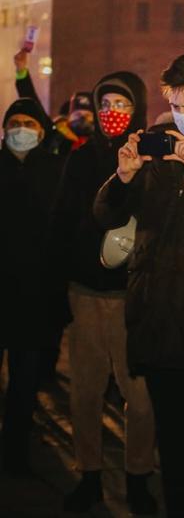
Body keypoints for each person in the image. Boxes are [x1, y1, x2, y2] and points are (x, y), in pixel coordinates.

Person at [91, 52, 184, 518]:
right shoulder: (155, 159)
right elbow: (107, 215)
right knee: (173, 448)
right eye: (176, 106)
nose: (183, 117)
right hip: (161, 321)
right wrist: (124, 176)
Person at [53, 71, 157, 513]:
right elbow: (60, 223)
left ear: (138, 109)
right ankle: (90, 474)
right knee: (85, 393)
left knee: (140, 399)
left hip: (132, 296)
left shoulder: (150, 158)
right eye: (106, 104)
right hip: (87, 294)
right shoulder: (80, 159)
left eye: (122, 104)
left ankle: (137, 477)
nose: (112, 112)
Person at [0, 98, 70, 474]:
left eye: (28, 122)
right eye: (14, 122)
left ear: (41, 131)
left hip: (35, 294)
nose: (20, 129)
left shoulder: (55, 170)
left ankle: (16, 449)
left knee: (25, 380)